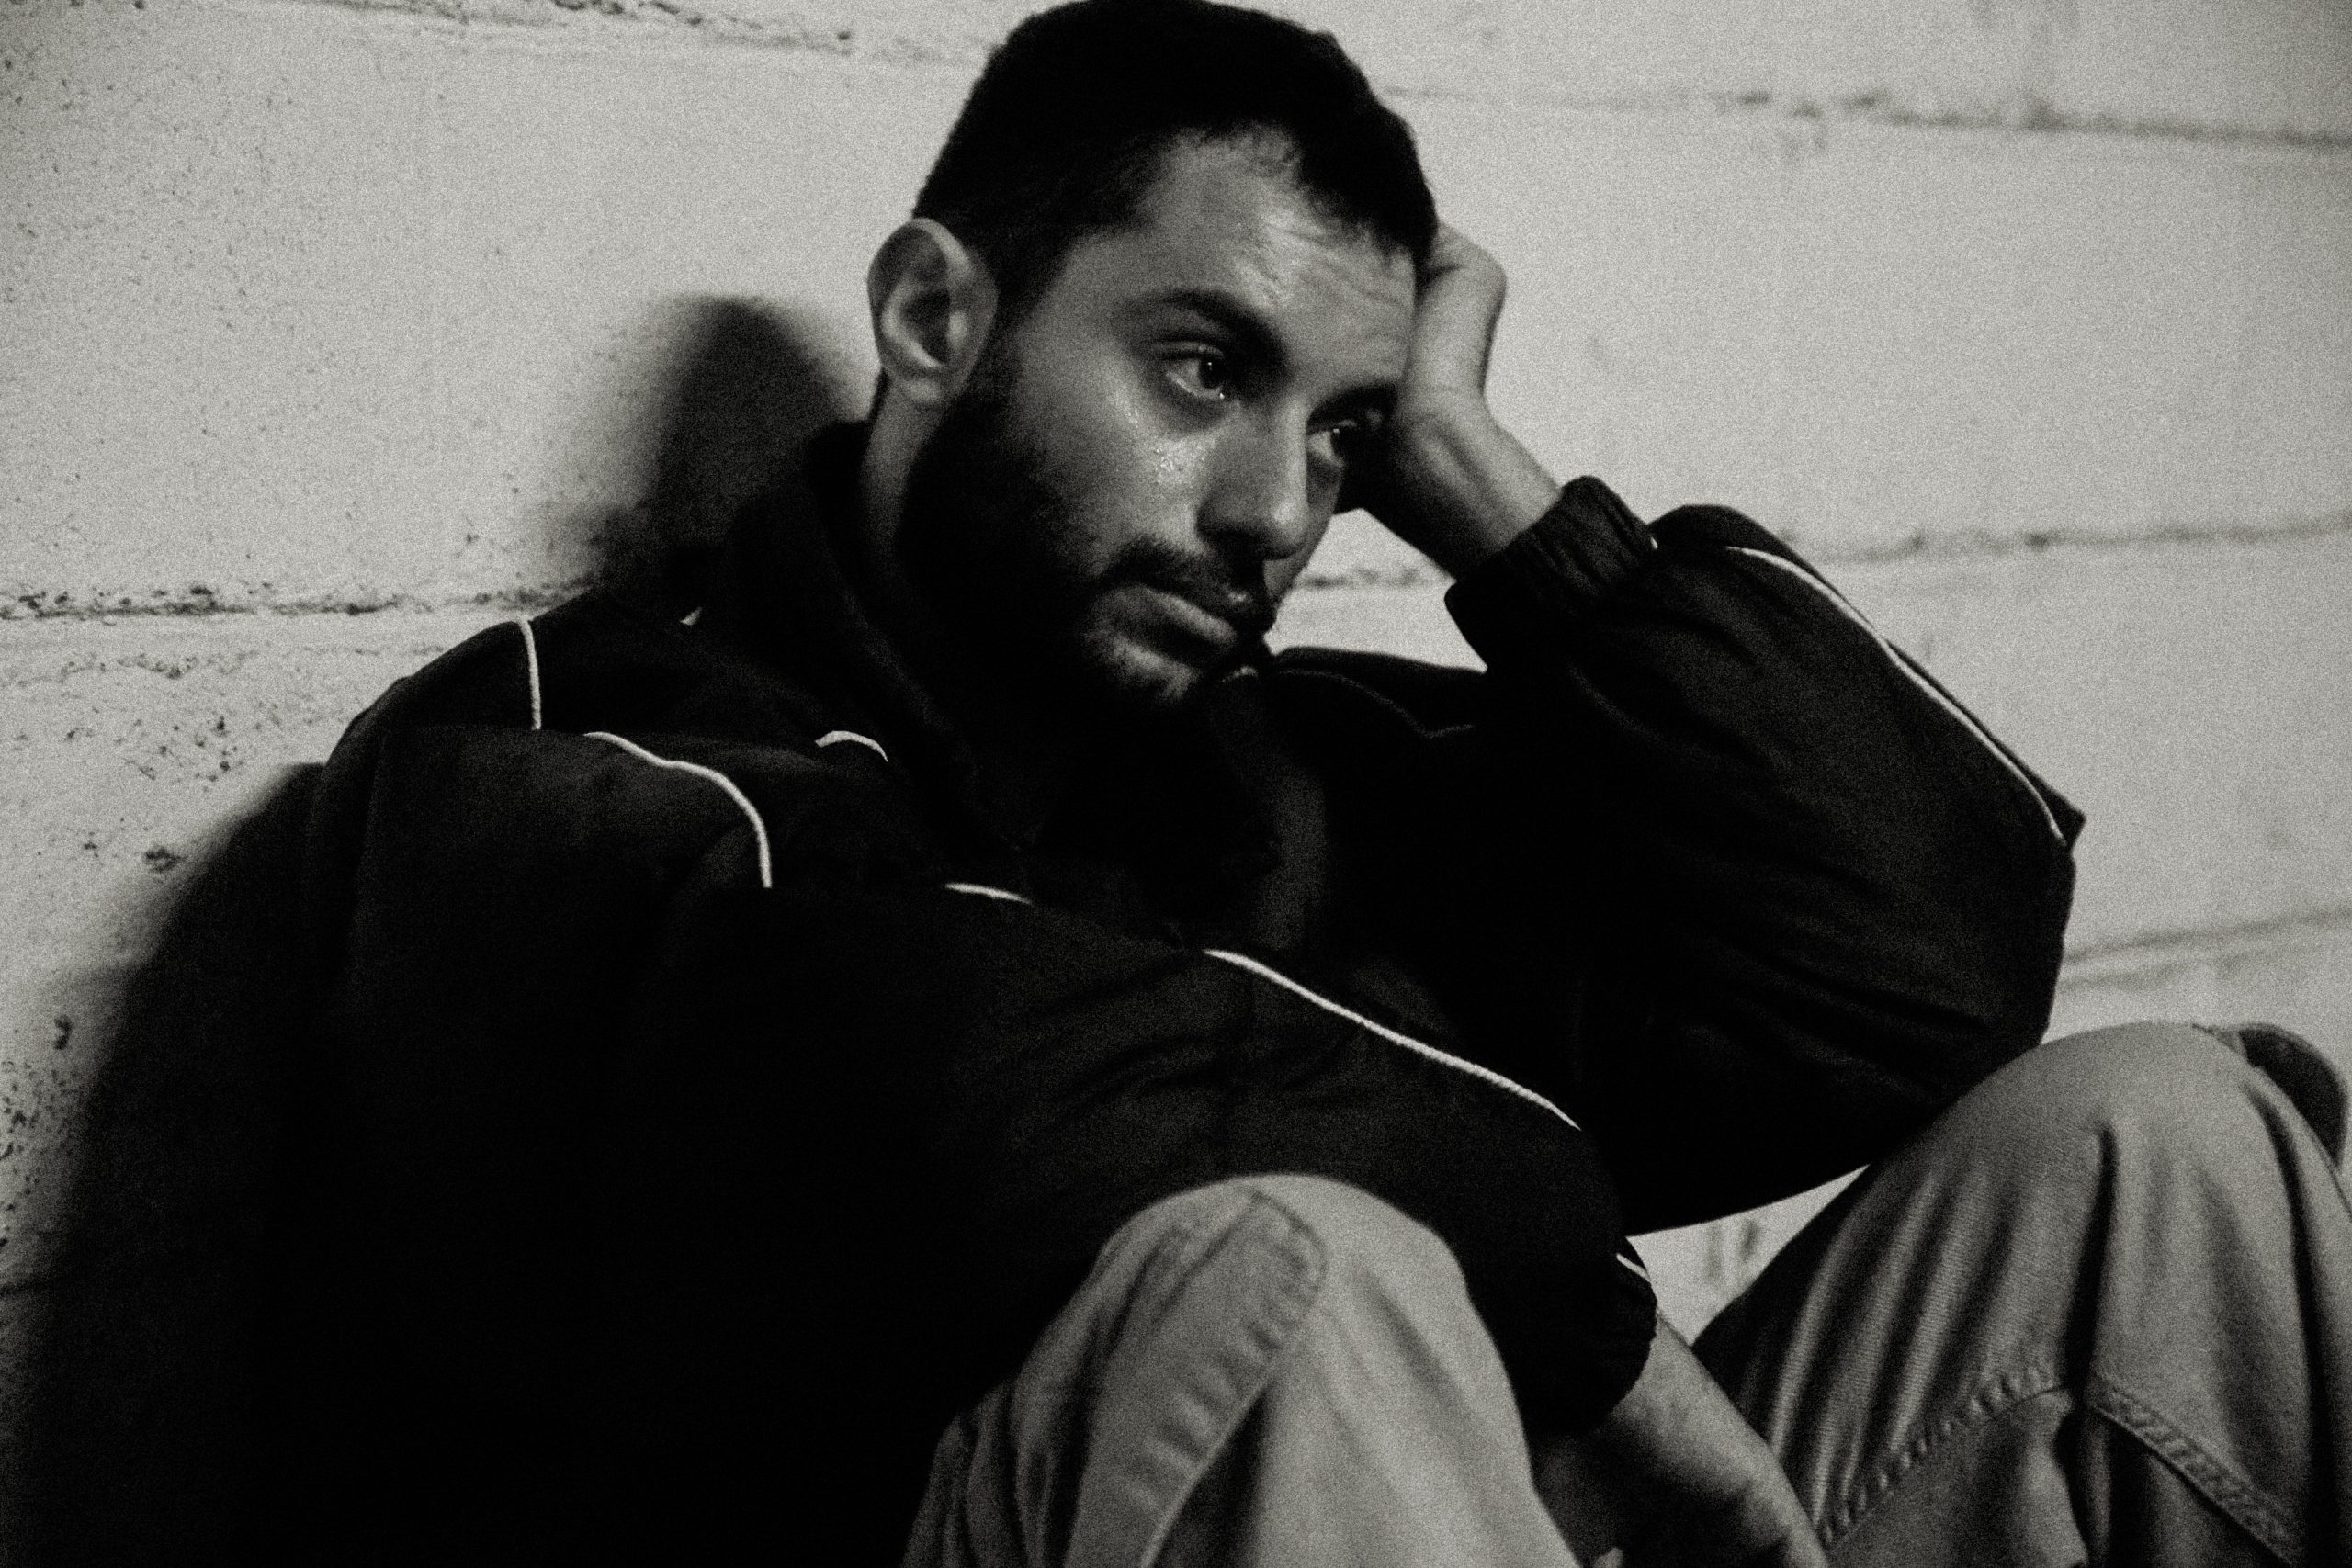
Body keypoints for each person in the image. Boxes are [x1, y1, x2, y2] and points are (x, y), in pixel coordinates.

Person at [266, 1, 2352, 1562]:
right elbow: (914, 1054)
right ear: (931, 316)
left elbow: (1914, 974)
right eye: (1203, 368)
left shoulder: (1266, 777)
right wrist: (1576, 1306)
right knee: (1291, 1274)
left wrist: (1486, 495)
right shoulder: (565, 757)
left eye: (1341, 433)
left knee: (2152, 1145)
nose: (1277, 508)